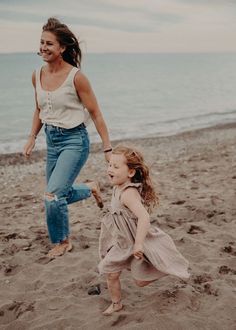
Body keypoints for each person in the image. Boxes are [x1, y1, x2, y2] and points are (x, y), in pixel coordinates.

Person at [23, 17, 112, 258]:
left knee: (52, 196)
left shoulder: (77, 77)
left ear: (62, 48)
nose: (43, 47)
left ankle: (62, 241)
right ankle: (90, 188)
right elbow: (39, 110)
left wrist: (107, 148)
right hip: (51, 141)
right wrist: (32, 137)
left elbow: (96, 113)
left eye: (49, 43)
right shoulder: (37, 75)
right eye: (41, 42)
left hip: (75, 141)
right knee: (56, 194)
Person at [98, 145, 190, 315]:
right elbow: (115, 161)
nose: (110, 169)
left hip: (134, 240)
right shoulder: (117, 184)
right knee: (110, 271)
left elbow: (144, 217)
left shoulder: (128, 193)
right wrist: (108, 151)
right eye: (109, 165)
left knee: (140, 281)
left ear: (131, 173)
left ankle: (164, 268)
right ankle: (116, 303)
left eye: (115, 167)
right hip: (122, 241)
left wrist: (139, 244)